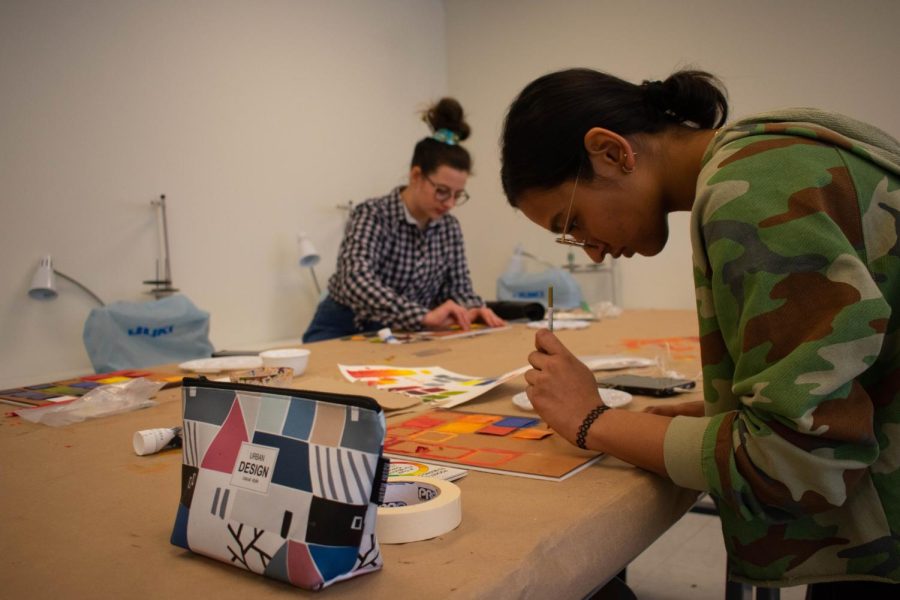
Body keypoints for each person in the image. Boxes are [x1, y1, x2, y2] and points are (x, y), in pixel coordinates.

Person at [500, 68, 900, 596]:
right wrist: (727, 415)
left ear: (610, 152)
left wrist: (590, 419)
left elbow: (797, 464)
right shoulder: (769, 156)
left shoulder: (752, 191)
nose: (590, 249)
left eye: (571, 222)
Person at [303, 98, 504, 343]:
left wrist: (473, 308)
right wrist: (421, 316)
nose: (449, 203)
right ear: (416, 175)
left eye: (457, 195)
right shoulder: (373, 214)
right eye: (442, 191)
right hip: (343, 328)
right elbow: (355, 279)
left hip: (403, 334)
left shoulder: (449, 227)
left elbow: (457, 286)